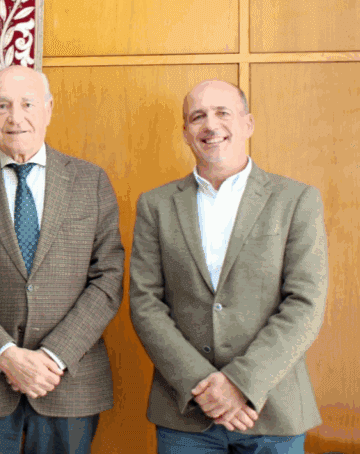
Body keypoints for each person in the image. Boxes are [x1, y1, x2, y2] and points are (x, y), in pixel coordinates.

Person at [0, 64, 125, 454]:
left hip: (68, 379)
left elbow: (108, 279)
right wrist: (6, 356)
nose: (15, 117)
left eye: (27, 104)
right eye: (1, 105)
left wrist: (53, 357)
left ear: (49, 109)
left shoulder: (91, 181)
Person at [129, 79, 328, 453]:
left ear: (248, 123)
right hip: (186, 413)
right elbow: (145, 303)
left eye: (223, 113)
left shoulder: (296, 199)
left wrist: (240, 384)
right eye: (197, 116)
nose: (211, 125)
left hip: (273, 410)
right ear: (186, 132)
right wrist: (205, 387)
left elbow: (306, 303)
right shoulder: (154, 205)